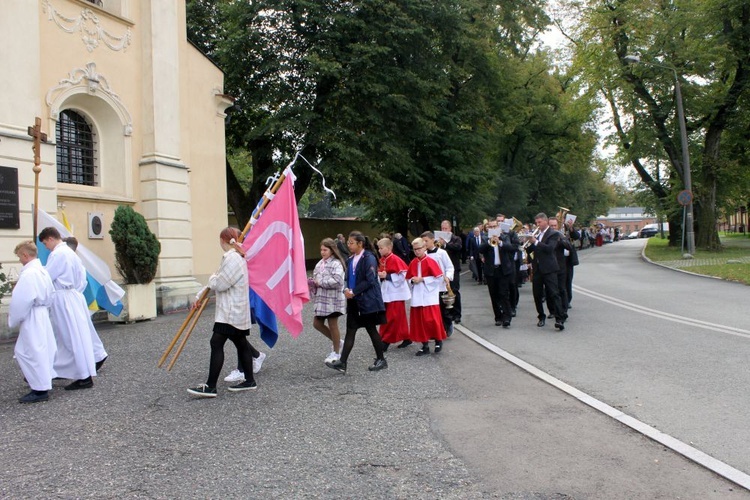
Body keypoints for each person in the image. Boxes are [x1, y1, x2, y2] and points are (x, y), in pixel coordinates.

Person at [188, 227, 258, 397]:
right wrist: (200, 296)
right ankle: (249, 380)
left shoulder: (233, 258)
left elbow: (220, 284)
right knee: (240, 343)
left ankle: (211, 386)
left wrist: (212, 278)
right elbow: (219, 282)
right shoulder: (234, 257)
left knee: (216, 343)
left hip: (231, 311)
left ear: (223, 240)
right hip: (233, 310)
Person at [39, 227, 97, 390]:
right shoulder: (71, 253)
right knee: (74, 336)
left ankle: (83, 376)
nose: (46, 247)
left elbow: (48, 277)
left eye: (45, 243)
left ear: (50, 238)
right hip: (73, 296)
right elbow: (81, 278)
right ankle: (70, 370)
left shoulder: (58, 254)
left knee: (70, 337)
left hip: (63, 297)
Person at [326, 231, 388, 374]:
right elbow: (348, 278)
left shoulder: (369, 258)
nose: (349, 245)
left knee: (371, 330)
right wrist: (346, 290)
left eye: (351, 243)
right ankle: (342, 362)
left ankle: (381, 359)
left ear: (360, 244)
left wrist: (354, 291)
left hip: (367, 301)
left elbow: (370, 279)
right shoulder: (350, 259)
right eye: (348, 242)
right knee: (350, 331)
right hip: (354, 302)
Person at [8, 241, 56, 403]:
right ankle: (41, 380)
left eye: (19, 257)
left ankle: (40, 388)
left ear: (25, 255)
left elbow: (21, 300)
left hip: (33, 315)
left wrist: (13, 319)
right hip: (41, 313)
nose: (20, 260)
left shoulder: (29, 274)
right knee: (41, 349)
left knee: (30, 351)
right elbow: (51, 294)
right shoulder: (42, 271)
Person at [63, 236, 108, 371]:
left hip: (74, 300)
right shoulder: (74, 262)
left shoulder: (73, 263)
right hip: (73, 300)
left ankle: (96, 356)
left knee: (80, 333)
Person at [406, 237, 446, 355]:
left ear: (424, 248)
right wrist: (413, 281)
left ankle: (438, 340)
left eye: (419, 248)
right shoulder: (413, 262)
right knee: (420, 322)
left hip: (429, 296)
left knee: (432, 320)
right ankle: (424, 345)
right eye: (415, 249)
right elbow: (408, 279)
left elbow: (438, 278)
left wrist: (423, 279)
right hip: (418, 296)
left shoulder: (430, 261)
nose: (417, 251)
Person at [526, 213, 566, 331]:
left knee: (554, 293)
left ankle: (559, 319)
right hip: (537, 268)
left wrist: (535, 242)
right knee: (537, 295)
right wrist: (526, 243)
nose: (537, 225)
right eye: (536, 223)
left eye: (539, 222)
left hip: (549, 268)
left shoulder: (553, 234)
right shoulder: (537, 234)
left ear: (546, 221)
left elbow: (549, 249)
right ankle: (541, 317)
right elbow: (531, 250)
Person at [311, 238, 347, 364]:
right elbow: (316, 276)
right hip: (322, 300)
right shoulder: (320, 263)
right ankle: (337, 342)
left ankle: (336, 353)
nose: (322, 252)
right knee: (317, 323)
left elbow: (338, 281)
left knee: (333, 325)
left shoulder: (336, 263)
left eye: (325, 250)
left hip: (333, 300)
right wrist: (312, 282)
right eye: (321, 250)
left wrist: (320, 282)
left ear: (332, 250)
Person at [479, 222, 518, 328]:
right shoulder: (485, 238)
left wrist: (500, 242)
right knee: (494, 295)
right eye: (490, 227)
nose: (492, 229)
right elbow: (480, 249)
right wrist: (488, 242)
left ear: (498, 228)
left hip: (503, 270)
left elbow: (512, 248)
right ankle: (498, 317)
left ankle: (507, 317)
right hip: (491, 271)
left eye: (494, 227)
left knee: (504, 294)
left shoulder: (505, 237)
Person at [376, 237, 411, 350]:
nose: (379, 250)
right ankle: (406, 337)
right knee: (397, 317)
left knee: (392, 317)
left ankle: (386, 340)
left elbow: (404, 274)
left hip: (396, 293)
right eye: (378, 248)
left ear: (389, 248)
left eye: (381, 248)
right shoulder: (382, 259)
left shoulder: (395, 259)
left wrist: (387, 276)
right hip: (387, 291)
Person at [422, 231, 455, 337]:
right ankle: (436, 331)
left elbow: (449, 267)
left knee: (443, 310)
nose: (424, 243)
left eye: (426, 241)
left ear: (432, 240)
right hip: (429, 286)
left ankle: (448, 325)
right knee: (432, 311)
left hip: (441, 285)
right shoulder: (424, 255)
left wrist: (448, 277)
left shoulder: (442, 253)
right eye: (423, 241)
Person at [438, 220, 463, 324]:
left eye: (446, 229)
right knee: (443, 292)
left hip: (454, 268)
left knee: (454, 290)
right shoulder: (437, 240)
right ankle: (447, 313)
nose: (444, 230)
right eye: (442, 229)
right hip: (442, 270)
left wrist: (445, 244)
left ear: (450, 229)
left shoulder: (456, 238)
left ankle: (457, 314)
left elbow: (458, 248)